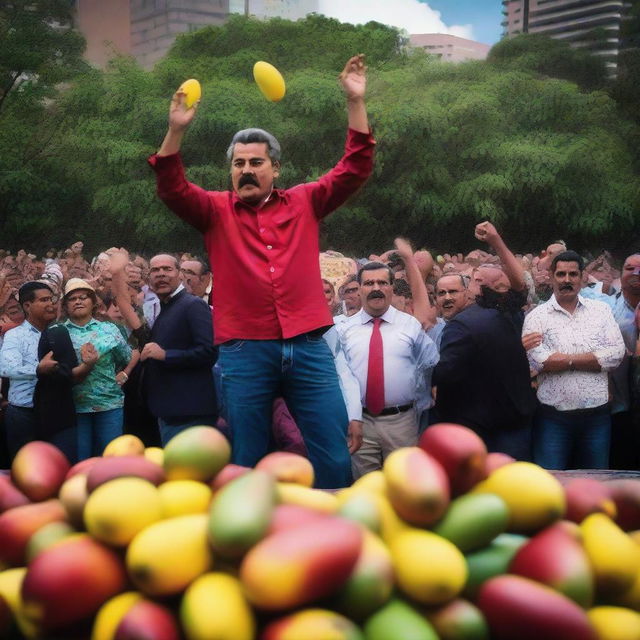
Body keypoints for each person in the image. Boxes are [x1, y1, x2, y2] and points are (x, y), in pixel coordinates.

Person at [148, 54, 373, 488]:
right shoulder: (213, 211)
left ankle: (336, 537)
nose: (246, 170)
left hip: (308, 346)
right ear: (230, 171)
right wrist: (176, 130)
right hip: (245, 351)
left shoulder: (306, 201)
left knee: (329, 448)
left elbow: (355, 167)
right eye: (238, 164)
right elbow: (171, 187)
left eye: (256, 163)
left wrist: (355, 102)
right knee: (247, 455)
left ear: (275, 169)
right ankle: (247, 544)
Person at [433, 224, 535, 458]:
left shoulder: (462, 325)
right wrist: (496, 240)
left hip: (473, 428)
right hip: (514, 423)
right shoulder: (511, 312)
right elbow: (521, 284)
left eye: (472, 280)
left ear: (473, 289)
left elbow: (444, 374)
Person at [522, 250, 625, 469]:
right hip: (552, 419)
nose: (566, 280)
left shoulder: (601, 311)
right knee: (551, 484)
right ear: (551, 277)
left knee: (596, 485)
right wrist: (593, 359)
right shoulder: (536, 317)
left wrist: (563, 361)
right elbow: (538, 362)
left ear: (582, 278)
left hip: (596, 418)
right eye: (560, 274)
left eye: (572, 274)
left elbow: (615, 355)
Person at [338, 262, 439, 478]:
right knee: (365, 488)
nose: (376, 287)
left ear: (392, 287)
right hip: (360, 422)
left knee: (405, 485)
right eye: (369, 283)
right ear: (359, 288)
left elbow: (430, 364)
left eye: (382, 282)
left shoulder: (410, 325)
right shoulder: (344, 330)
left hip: (402, 421)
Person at [139, 255, 218, 445]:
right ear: (149, 278)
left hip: (190, 413)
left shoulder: (193, 305)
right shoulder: (167, 307)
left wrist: (166, 355)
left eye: (167, 269)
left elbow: (209, 352)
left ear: (179, 275)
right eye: (155, 270)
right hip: (170, 411)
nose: (161, 275)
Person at [58, 278, 134, 460]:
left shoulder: (109, 329)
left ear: (93, 303)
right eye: (72, 299)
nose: (78, 301)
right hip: (75, 407)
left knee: (110, 459)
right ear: (66, 306)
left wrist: (120, 374)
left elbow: (125, 357)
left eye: (83, 297)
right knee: (80, 459)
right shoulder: (59, 332)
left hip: (109, 404)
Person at [0, 282, 57, 460]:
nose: (51, 304)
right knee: (24, 468)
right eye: (44, 300)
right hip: (24, 413)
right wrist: (38, 369)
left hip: (56, 411)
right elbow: (7, 368)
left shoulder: (59, 333)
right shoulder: (14, 335)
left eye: (52, 299)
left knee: (54, 466)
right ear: (27, 306)